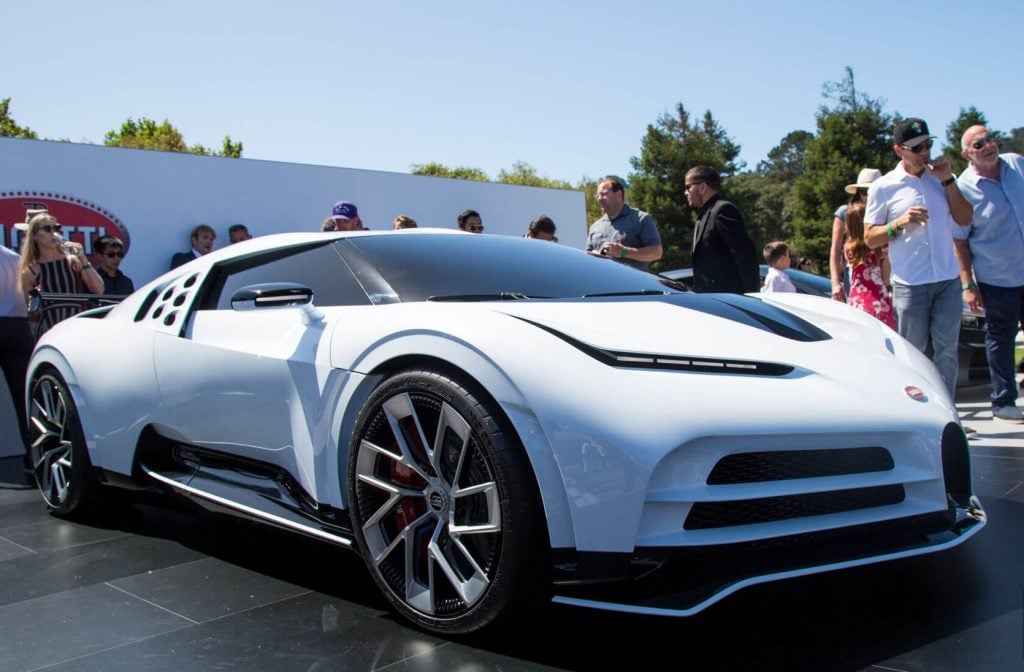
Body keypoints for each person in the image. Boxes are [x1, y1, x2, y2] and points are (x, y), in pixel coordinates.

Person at [864, 117, 973, 402]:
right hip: (910, 283)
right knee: (913, 351)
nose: (924, 152)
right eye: (916, 148)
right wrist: (898, 223)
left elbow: (965, 217)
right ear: (899, 150)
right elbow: (869, 238)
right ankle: (917, 409)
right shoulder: (884, 187)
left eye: (927, 144)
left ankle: (947, 410)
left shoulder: (942, 180)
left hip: (947, 279)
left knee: (947, 349)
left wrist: (948, 179)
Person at [953, 125, 1024, 424]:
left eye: (990, 139)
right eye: (979, 144)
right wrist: (968, 283)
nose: (989, 146)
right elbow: (959, 238)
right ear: (966, 153)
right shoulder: (964, 188)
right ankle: (1003, 401)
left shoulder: (1016, 164)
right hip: (997, 278)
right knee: (1001, 338)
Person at [18, 213, 103, 336]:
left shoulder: (73, 261)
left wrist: (83, 259)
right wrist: (36, 297)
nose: (53, 233)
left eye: (56, 228)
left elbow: (99, 289)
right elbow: (32, 313)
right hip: (49, 327)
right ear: (34, 236)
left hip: (75, 324)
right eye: (47, 229)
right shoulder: (31, 271)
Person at [686, 166, 759, 293]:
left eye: (688, 187)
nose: (686, 192)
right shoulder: (703, 215)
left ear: (703, 187)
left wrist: (751, 295)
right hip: (709, 299)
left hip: (729, 299)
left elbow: (745, 255)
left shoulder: (723, 210)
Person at [0, 241, 33, 463]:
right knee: (24, 399)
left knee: (24, 398)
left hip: (14, 328)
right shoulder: (14, 257)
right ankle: (33, 456)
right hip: (19, 329)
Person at [585, 176, 662, 270]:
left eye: (604, 194)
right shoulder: (595, 226)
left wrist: (624, 252)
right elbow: (587, 257)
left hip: (632, 283)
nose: (599, 199)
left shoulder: (641, 219)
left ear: (618, 195)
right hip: (603, 283)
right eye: (598, 196)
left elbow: (656, 253)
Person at [830, 168, 881, 302]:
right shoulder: (845, 212)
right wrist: (835, 283)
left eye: (874, 191)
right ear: (858, 193)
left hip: (883, 277)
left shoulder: (886, 213)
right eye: (865, 192)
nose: (869, 196)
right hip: (855, 277)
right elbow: (835, 250)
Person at [844, 203, 895, 329]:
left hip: (857, 299)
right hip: (879, 298)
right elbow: (886, 276)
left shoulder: (849, 248)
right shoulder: (879, 248)